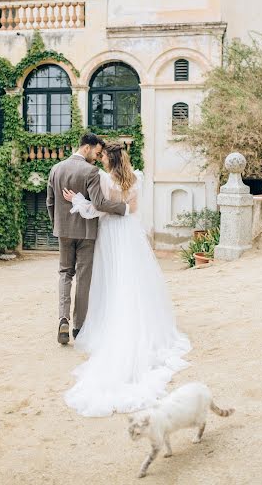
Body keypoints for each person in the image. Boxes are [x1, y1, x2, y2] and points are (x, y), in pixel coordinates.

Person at [62, 143, 191, 417]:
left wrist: (77, 201)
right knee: (132, 277)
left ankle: (112, 319)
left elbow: (99, 208)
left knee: (110, 278)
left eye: (105, 155)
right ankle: (136, 316)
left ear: (110, 159)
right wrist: (114, 205)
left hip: (110, 232)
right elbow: (131, 208)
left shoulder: (103, 178)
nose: (102, 158)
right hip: (129, 233)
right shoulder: (136, 179)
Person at [46, 133, 131, 345]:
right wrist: (124, 208)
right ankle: (78, 327)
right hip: (86, 233)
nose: (97, 156)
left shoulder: (56, 168)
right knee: (84, 278)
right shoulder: (91, 171)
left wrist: (57, 224)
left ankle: (62, 318)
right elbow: (100, 203)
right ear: (87, 148)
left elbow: (49, 202)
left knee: (65, 273)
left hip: (63, 231)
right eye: (96, 152)